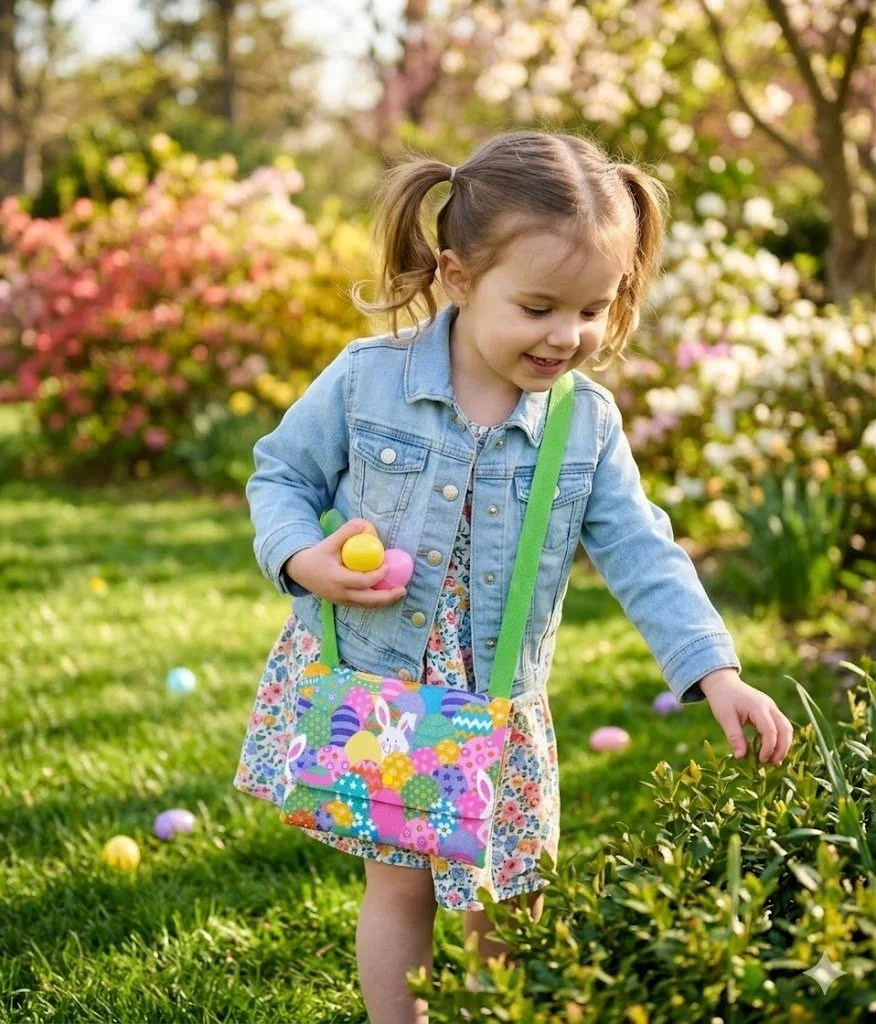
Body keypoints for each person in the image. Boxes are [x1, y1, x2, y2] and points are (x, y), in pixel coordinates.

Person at [233, 129, 794, 1024]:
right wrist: (302, 558)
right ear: (458, 277)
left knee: (513, 900)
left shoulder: (588, 425)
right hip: (388, 689)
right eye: (537, 307)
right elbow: (281, 475)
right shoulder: (365, 382)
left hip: (500, 706)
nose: (567, 336)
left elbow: (643, 550)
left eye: (592, 309)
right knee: (403, 891)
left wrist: (712, 669)